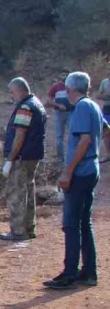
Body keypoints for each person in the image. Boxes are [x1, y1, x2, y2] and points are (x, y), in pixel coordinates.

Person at [44, 72, 101, 290]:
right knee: (83, 222)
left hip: (81, 172)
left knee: (71, 224)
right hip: (90, 168)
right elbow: (104, 130)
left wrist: (67, 172)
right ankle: (88, 272)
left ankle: (69, 274)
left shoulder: (81, 108)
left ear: (69, 90)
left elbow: (84, 141)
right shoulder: (93, 105)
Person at [0, 77, 47, 242]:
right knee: (28, 190)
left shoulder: (25, 107)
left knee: (17, 192)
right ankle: (29, 228)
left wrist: (10, 159)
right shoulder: (37, 103)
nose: (10, 96)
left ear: (20, 90)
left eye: (11, 92)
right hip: (33, 156)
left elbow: (19, 136)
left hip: (21, 157)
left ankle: (18, 231)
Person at [46, 77, 73, 162]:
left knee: (73, 134)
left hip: (70, 112)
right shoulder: (56, 87)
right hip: (59, 113)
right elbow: (49, 101)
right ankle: (60, 158)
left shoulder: (72, 86)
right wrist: (58, 105)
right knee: (59, 136)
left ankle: (72, 157)